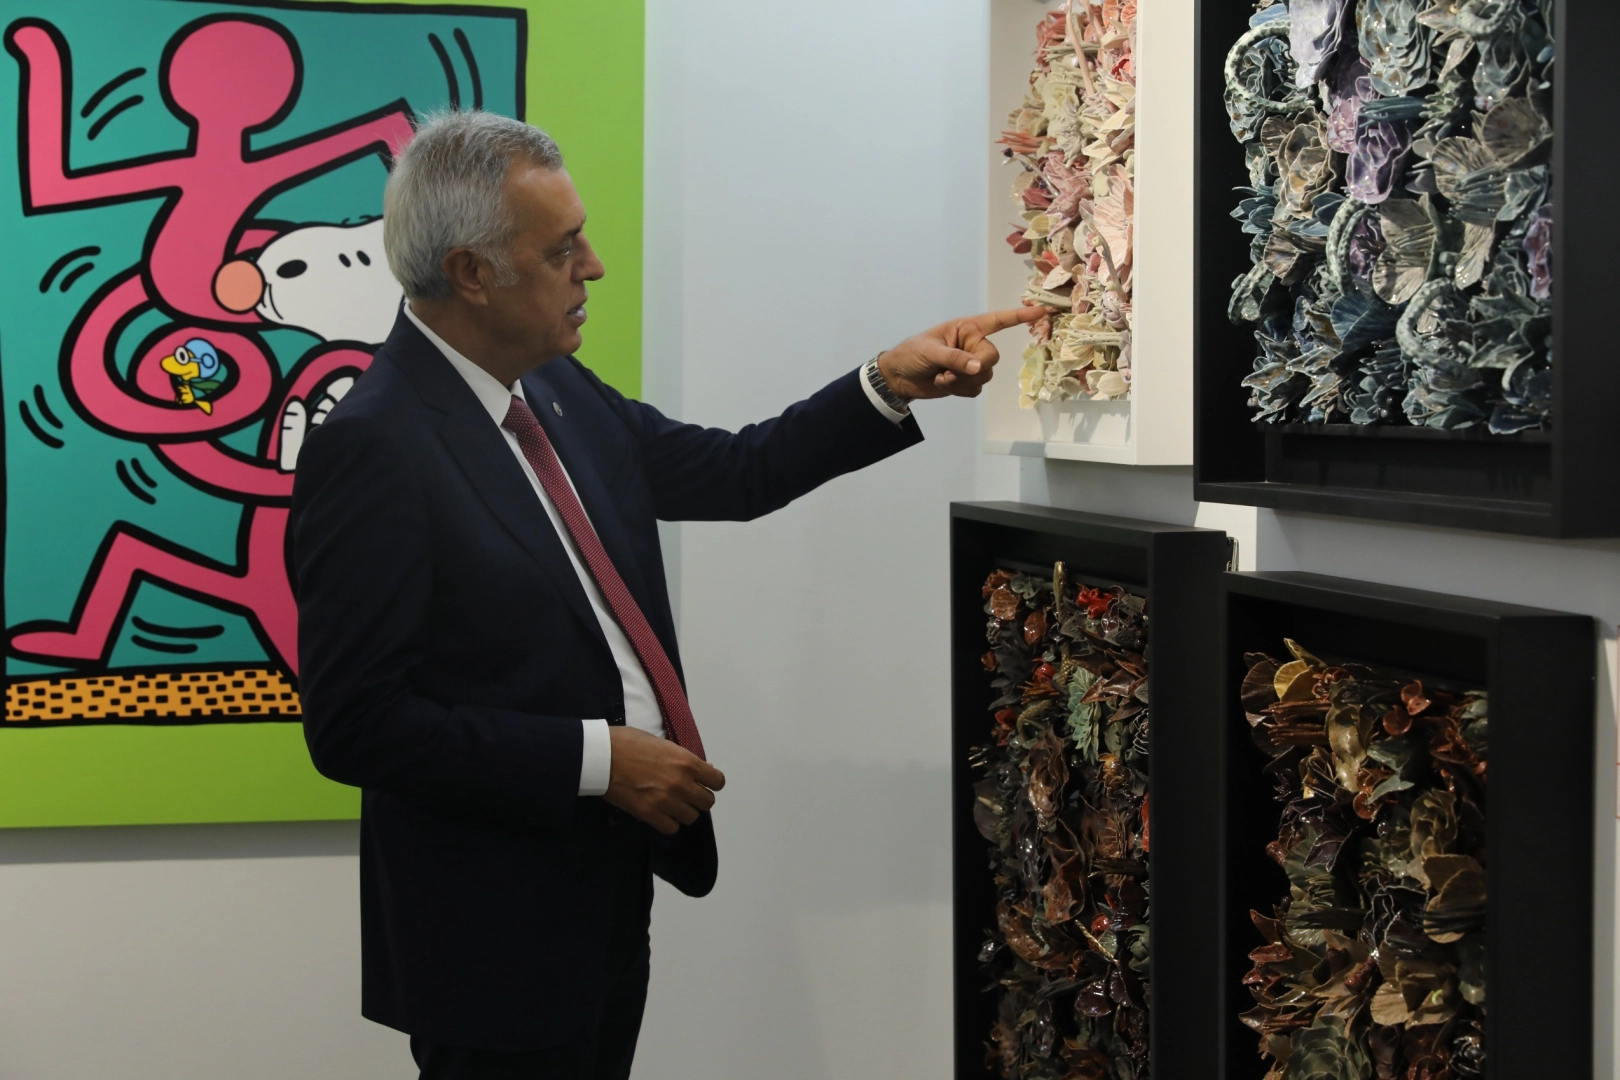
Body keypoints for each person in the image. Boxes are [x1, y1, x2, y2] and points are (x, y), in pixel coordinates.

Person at [289, 110, 1041, 1080]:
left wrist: (884, 383)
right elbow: (357, 725)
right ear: (472, 273)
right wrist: (598, 760)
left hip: (604, 889)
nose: (593, 267)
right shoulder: (375, 444)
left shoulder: (555, 392)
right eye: (561, 250)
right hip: (490, 933)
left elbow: (736, 471)